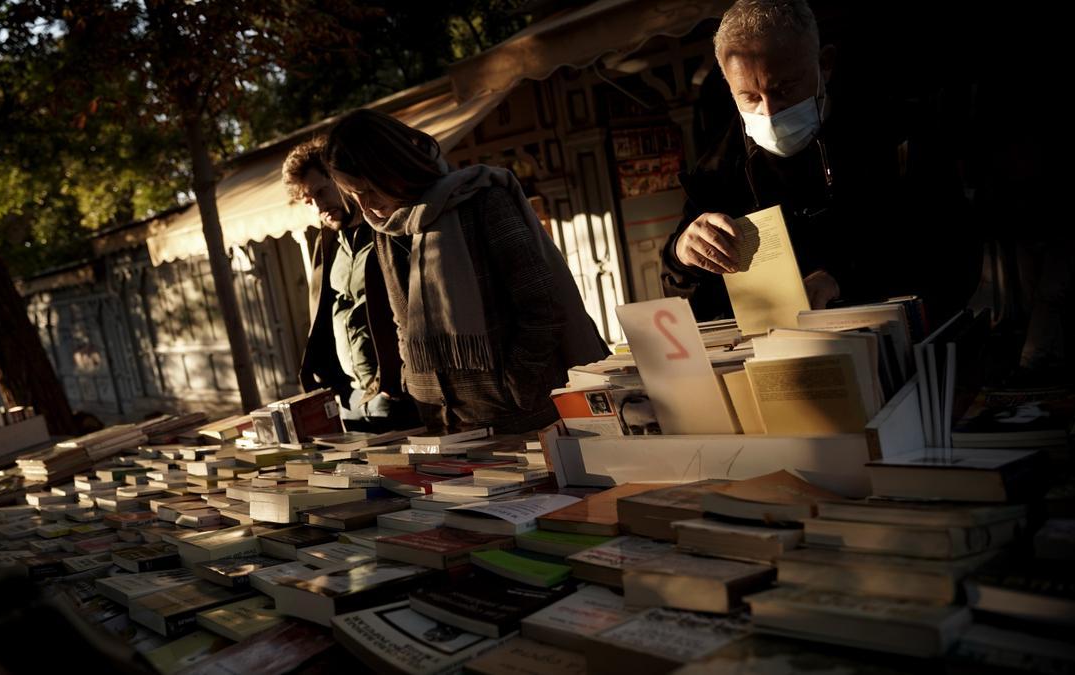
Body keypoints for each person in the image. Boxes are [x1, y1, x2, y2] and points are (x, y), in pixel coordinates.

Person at [661, 0, 977, 327]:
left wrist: (845, 280)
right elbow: (691, 309)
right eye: (750, 97)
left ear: (824, 65)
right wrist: (682, 256)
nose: (769, 111)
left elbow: (958, 261)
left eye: (783, 89)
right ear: (729, 88)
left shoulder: (898, 137)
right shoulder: (718, 172)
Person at [322, 109, 609, 434]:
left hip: (517, 417)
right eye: (353, 196)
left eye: (370, 190)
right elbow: (402, 321)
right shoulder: (385, 229)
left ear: (394, 167)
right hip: (442, 424)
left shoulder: (481, 201)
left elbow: (543, 306)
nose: (365, 207)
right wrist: (415, 384)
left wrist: (514, 384)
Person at [282, 137, 419, 432]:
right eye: (310, 200)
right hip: (352, 397)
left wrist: (399, 384)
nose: (319, 206)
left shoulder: (389, 229)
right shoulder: (328, 243)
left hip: (401, 393)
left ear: (341, 180)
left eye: (322, 191)